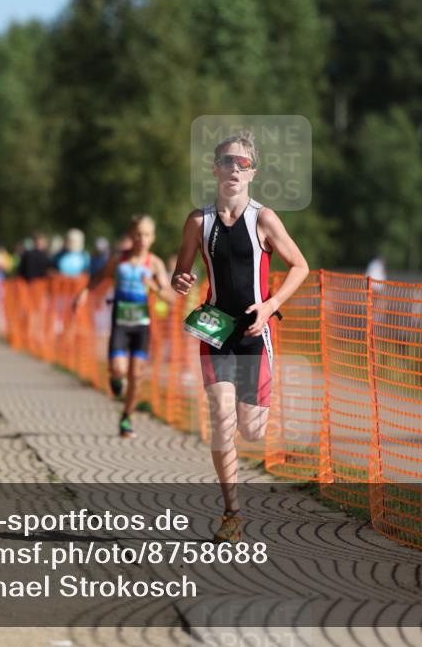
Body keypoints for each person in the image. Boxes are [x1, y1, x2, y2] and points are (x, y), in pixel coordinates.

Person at [171, 130, 309, 543]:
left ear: (253, 173)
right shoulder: (199, 221)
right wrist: (180, 279)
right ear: (215, 169)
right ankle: (232, 513)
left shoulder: (263, 219)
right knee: (221, 416)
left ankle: (256, 415)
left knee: (251, 430)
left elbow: (300, 266)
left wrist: (268, 307)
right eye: (227, 162)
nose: (235, 168)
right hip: (216, 331)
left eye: (242, 163)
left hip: (254, 332)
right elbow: (180, 271)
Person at [74, 215, 175, 438]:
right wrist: (83, 293)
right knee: (119, 370)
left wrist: (155, 288)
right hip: (120, 324)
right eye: (138, 234)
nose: (141, 239)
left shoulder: (155, 263)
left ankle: (127, 417)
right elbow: (98, 278)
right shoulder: (118, 259)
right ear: (131, 236)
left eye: (146, 234)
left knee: (136, 376)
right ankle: (116, 378)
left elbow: (171, 298)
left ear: (153, 238)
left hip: (141, 327)